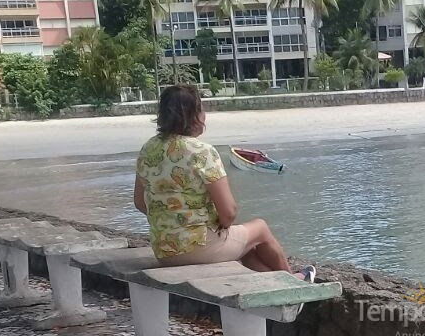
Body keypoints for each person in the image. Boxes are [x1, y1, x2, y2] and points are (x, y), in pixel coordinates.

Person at [133, 85, 311, 280]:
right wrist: (218, 224)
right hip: (197, 248)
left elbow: (140, 203)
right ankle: (292, 283)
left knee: (246, 246)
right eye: (201, 109)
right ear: (193, 115)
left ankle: (279, 284)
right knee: (260, 228)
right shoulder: (201, 151)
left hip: (163, 251)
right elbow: (229, 212)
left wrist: (171, 218)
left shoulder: (148, 149)